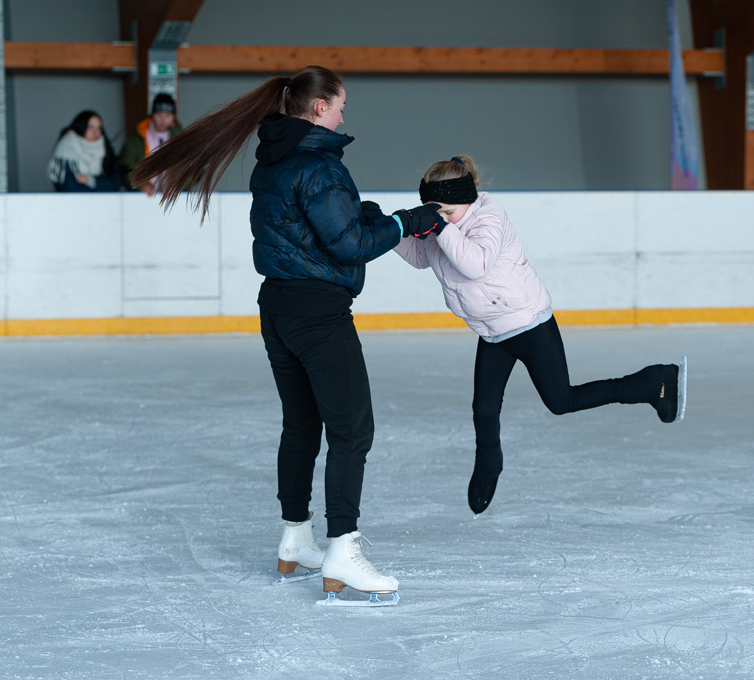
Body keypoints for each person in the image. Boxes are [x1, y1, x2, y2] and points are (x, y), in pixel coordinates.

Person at [129, 66, 444, 605]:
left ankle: (296, 538)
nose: (346, 114)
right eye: (341, 105)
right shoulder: (318, 164)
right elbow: (346, 245)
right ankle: (344, 548)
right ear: (319, 107)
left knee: (303, 425)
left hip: (277, 308)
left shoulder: (273, 160)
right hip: (318, 314)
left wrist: (365, 214)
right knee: (351, 430)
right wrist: (404, 221)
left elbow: (314, 229)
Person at [393, 155, 687, 516]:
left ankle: (653, 382)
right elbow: (422, 257)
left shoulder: (488, 216)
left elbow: (475, 264)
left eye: (449, 212)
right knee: (483, 409)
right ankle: (489, 465)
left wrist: (439, 225)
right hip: (492, 332)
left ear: (466, 199)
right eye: (434, 211)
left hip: (529, 323)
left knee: (561, 401)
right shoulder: (447, 222)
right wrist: (391, 229)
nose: (443, 218)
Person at [118, 93, 183, 195]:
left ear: (173, 117)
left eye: (167, 115)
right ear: (152, 115)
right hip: (143, 197)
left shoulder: (182, 139)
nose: (163, 119)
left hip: (173, 197)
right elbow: (125, 169)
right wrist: (141, 185)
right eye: (159, 114)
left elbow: (192, 169)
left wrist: (176, 185)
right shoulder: (136, 139)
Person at [46, 110, 122, 192]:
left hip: (103, 202)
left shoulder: (105, 148)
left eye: (99, 127)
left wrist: (92, 181)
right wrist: (100, 185)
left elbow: (116, 183)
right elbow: (68, 186)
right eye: (90, 127)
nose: (95, 132)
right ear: (81, 126)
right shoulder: (66, 148)